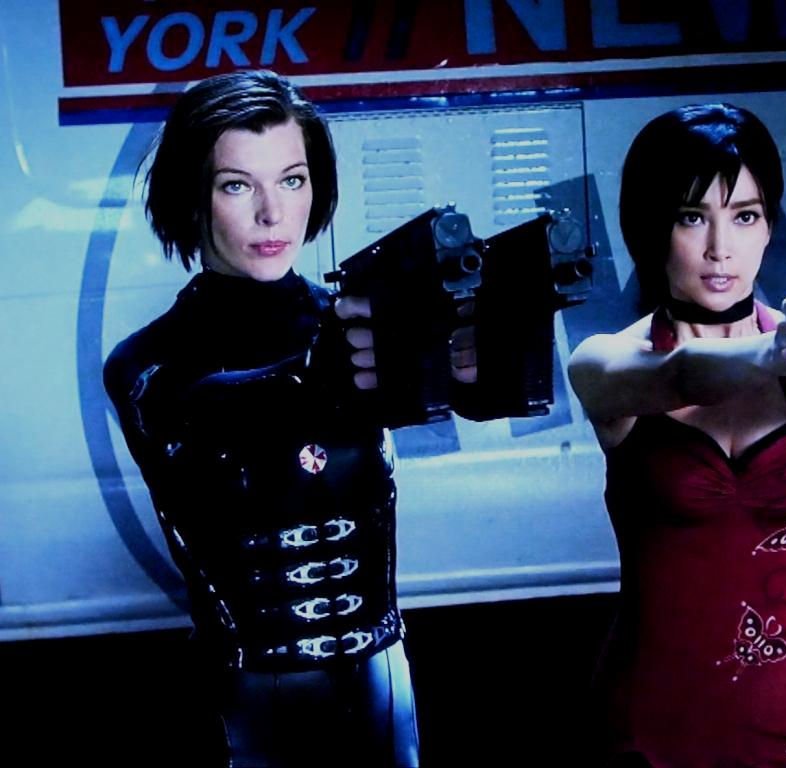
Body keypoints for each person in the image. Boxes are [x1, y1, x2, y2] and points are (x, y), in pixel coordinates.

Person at [103, 70, 475, 767]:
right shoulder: (147, 364)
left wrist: (467, 347)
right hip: (247, 695)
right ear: (193, 197)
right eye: (236, 185)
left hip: (383, 678)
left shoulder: (356, 326)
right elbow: (202, 413)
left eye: (293, 179)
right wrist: (319, 371)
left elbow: (468, 394)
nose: (273, 213)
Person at [568, 104, 786, 768]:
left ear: (768, 228)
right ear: (651, 228)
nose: (720, 248)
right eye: (692, 217)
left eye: (744, 216)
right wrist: (777, 353)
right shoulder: (603, 361)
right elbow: (679, 374)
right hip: (649, 726)